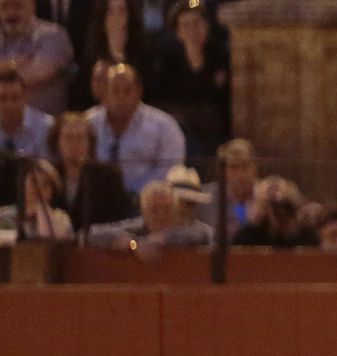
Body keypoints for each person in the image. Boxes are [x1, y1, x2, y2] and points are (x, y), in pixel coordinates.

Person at [146, 0, 229, 159]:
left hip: (213, 132)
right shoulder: (167, 59)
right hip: (179, 129)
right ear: (178, 32)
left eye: (196, 23)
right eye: (186, 26)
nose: (192, 31)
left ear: (206, 26)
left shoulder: (218, 55)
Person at [86, 62, 184, 195]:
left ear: (139, 91)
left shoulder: (165, 127)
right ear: (105, 92)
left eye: (127, 90)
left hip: (146, 201)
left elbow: (172, 172)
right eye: (115, 90)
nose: (121, 97)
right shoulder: (88, 123)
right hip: (96, 200)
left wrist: (139, 194)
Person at [47, 108, 126, 227]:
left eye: (80, 138)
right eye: (68, 138)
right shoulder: (48, 176)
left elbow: (121, 221)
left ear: (90, 143)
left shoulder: (109, 177)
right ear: (57, 142)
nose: (74, 144)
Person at [0, 0, 72, 115]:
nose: (11, 13)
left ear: (32, 6)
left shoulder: (53, 35)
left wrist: (4, 68)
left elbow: (36, 75)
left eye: (18, 6)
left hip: (44, 123)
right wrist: (14, 64)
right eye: (4, 7)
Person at [0, 155, 73, 237]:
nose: (39, 188)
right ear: (23, 184)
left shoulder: (61, 219)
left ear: (53, 190)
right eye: (33, 181)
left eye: (45, 184)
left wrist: (41, 212)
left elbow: (52, 240)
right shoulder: (4, 215)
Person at [0, 64, 49, 154]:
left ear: (26, 96)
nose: (9, 105)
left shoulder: (45, 128)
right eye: (3, 98)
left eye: (15, 98)